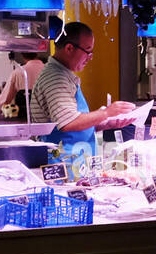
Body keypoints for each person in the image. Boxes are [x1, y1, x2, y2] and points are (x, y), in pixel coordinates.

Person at [29, 22, 135, 157]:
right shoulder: (55, 78)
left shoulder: (65, 75)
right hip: (62, 165)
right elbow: (68, 123)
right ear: (69, 48)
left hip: (76, 163)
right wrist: (106, 113)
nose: (89, 58)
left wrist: (103, 124)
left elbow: (72, 122)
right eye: (87, 51)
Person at [0, 51, 47, 118]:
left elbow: (5, 97)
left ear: (22, 55)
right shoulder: (49, 71)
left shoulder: (18, 72)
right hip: (48, 117)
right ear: (37, 54)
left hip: (25, 118)